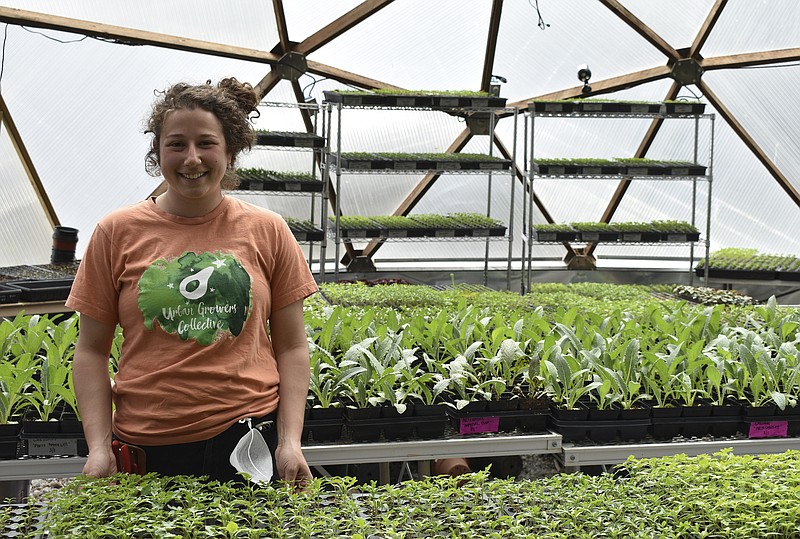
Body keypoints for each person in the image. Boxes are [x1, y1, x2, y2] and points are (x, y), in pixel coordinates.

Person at [66, 77, 318, 485]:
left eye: (206, 143)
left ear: (230, 151)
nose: (192, 158)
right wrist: (98, 447)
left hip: (247, 441)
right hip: (146, 446)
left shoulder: (267, 230)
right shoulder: (117, 232)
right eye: (176, 144)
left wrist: (290, 441)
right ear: (158, 152)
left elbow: (291, 346)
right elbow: (91, 351)